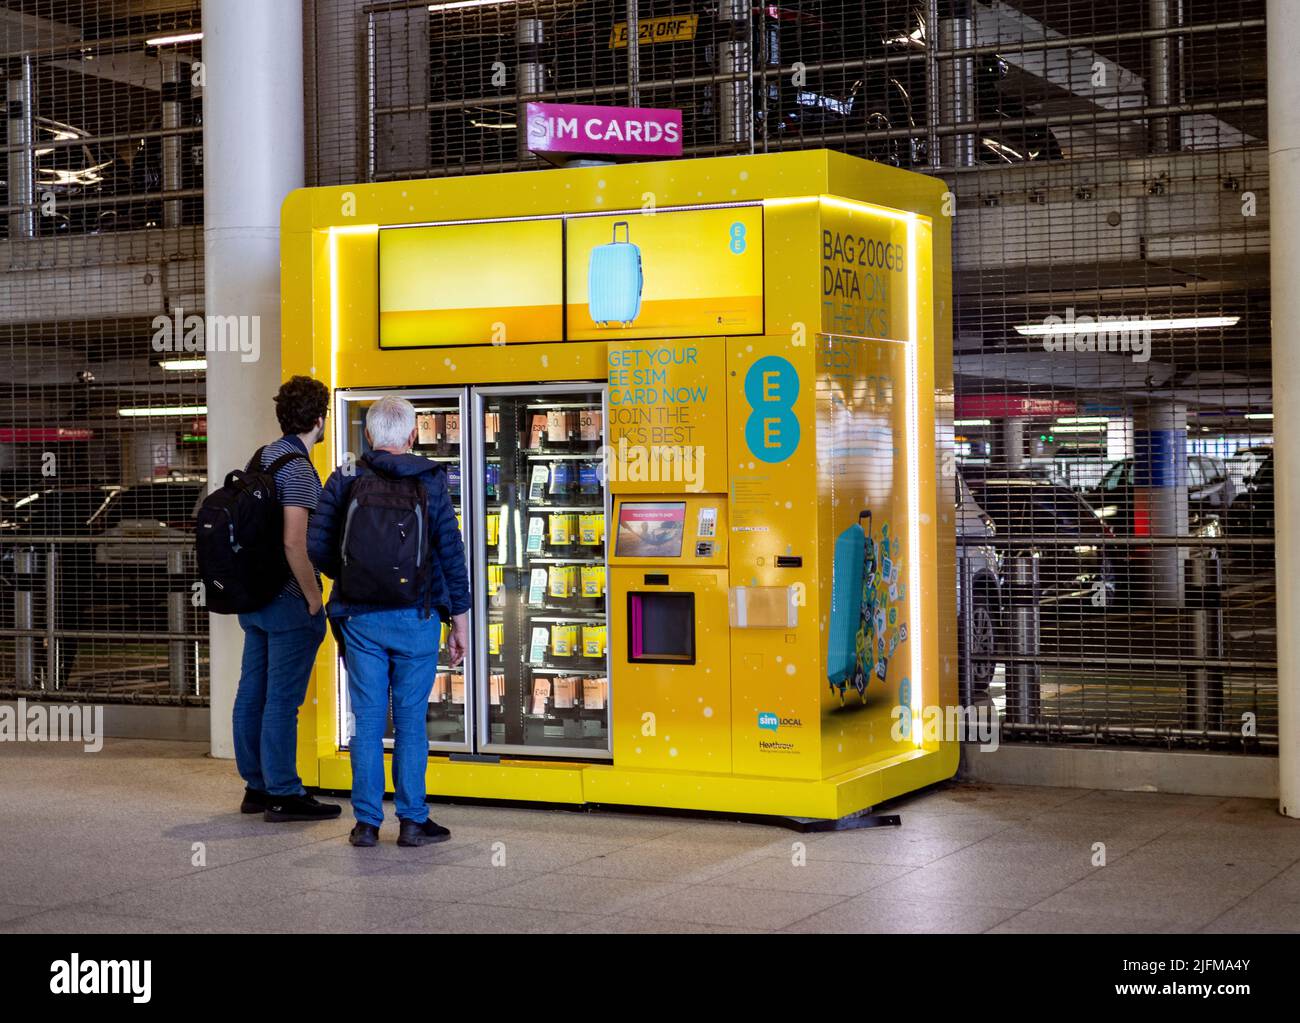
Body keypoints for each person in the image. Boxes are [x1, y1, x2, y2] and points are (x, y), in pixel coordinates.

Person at [308, 395, 470, 847]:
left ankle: (366, 824)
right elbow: (450, 553)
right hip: (416, 616)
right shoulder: (432, 479)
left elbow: (316, 545)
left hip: (360, 618)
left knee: (367, 717)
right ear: (414, 435)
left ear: (368, 435)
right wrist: (459, 620)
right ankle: (414, 821)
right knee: (411, 721)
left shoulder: (344, 476)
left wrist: (353, 576)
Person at [232, 375, 341, 823]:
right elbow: (295, 543)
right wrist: (315, 599)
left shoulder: (262, 457)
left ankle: (256, 786)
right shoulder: (297, 468)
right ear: (319, 420)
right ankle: (284, 792)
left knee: (251, 692)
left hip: (254, 597)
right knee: (282, 699)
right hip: (287, 600)